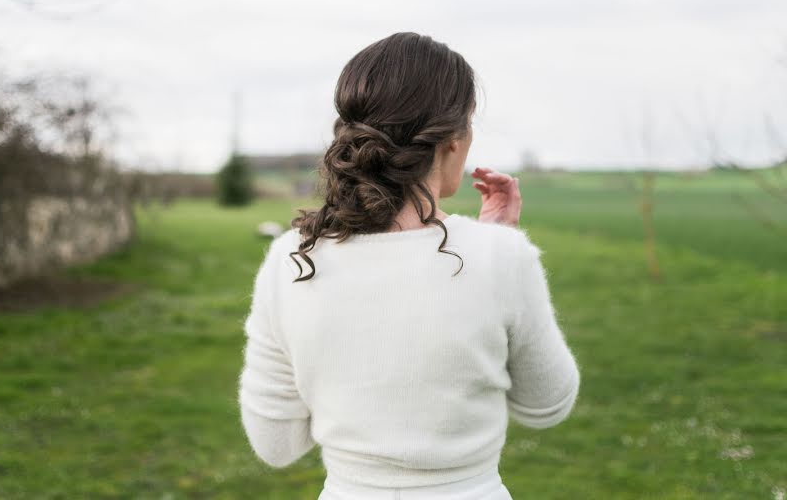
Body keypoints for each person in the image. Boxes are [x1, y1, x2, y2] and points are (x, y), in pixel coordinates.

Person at [238, 32, 581, 500]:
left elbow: (276, 445)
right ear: (453, 142)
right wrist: (501, 243)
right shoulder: (502, 257)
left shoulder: (291, 259)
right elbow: (547, 405)